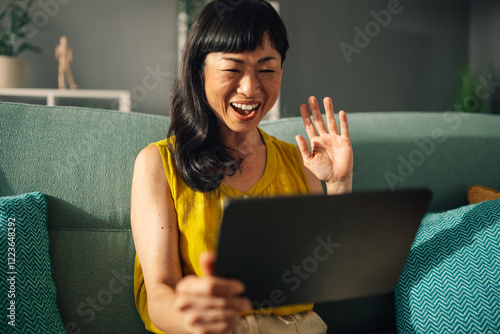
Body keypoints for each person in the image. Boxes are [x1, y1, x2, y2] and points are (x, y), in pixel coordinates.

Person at [131, 0, 353, 333]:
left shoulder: (302, 162)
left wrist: (338, 184)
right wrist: (193, 319)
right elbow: (159, 293)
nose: (250, 88)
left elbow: (331, 276)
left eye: (267, 69)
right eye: (232, 68)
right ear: (198, 70)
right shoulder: (158, 164)